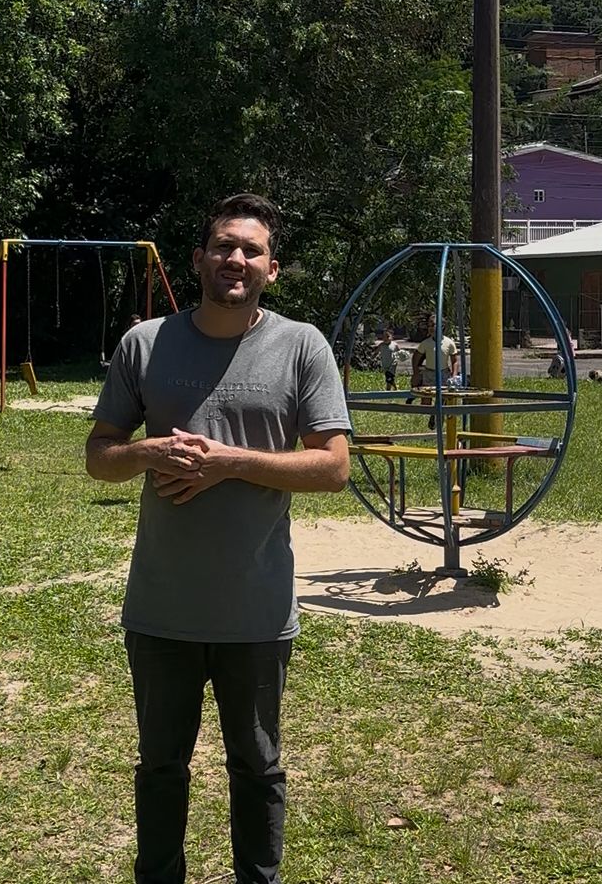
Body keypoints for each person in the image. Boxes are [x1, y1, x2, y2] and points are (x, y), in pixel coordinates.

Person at [85, 193, 351, 884]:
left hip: (256, 612)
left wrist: (228, 463)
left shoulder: (302, 347)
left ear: (273, 268)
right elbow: (99, 455)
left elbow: (333, 467)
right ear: (199, 259)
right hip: (161, 609)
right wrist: (149, 455)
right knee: (161, 768)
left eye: (251, 250)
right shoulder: (145, 344)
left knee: (258, 768)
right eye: (224, 246)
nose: (236, 259)